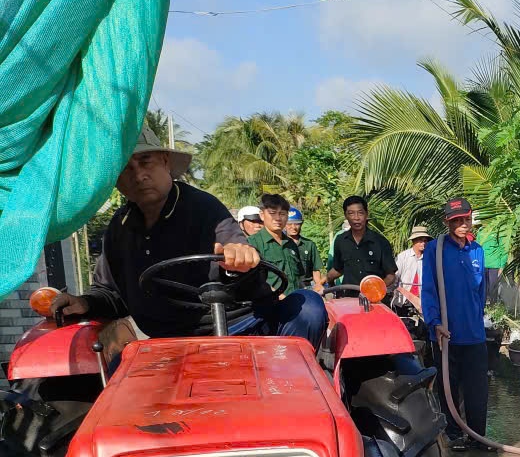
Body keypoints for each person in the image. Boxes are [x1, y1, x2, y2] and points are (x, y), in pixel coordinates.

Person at [50, 127, 326, 351]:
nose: (139, 175)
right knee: (104, 369)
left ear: (166, 163)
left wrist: (237, 260)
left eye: (145, 162)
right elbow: (110, 292)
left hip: (238, 326)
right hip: (163, 341)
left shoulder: (202, 207)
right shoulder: (119, 227)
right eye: (125, 168)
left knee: (309, 306)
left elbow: (236, 251)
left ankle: (294, 393)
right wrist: (84, 303)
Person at [421, 198, 488, 451]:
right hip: (445, 333)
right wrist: (435, 323)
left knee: (477, 388)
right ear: (446, 222)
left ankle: (478, 436)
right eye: (456, 220)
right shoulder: (435, 250)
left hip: (474, 333)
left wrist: (477, 319)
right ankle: (454, 434)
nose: (462, 224)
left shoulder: (477, 250)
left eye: (465, 219)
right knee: (448, 386)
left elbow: (481, 292)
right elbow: (429, 289)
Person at [326, 195, 396, 290]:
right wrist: (325, 281)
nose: (356, 218)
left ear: (367, 214)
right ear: (345, 216)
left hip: (374, 300)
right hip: (348, 299)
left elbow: (391, 276)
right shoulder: (340, 240)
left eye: (360, 213)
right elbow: (338, 269)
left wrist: (373, 289)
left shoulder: (381, 242)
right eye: (351, 213)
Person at [248, 194, 306, 294]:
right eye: (272, 213)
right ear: (262, 215)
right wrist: (277, 295)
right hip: (269, 304)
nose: (278, 218)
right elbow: (252, 281)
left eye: (282, 214)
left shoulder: (291, 244)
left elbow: (299, 279)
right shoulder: (252, 243)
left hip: (295, 302)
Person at [286, 206, 325, 290]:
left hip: (307, 286)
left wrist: (318, 285)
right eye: (289, 224)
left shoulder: (309, 244)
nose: (293, 227)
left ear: (301, 224)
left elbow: (315, 269)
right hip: (288, 287)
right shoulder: (281, 244)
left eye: (297, 224)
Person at [395, 225, 432, 311]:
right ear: (414, 241)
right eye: (420, 240)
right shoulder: (403, 257)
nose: (423, 243)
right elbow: (394, 278)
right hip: (403, 300)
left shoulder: (429, 258)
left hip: (422, 302)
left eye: (425, 240)